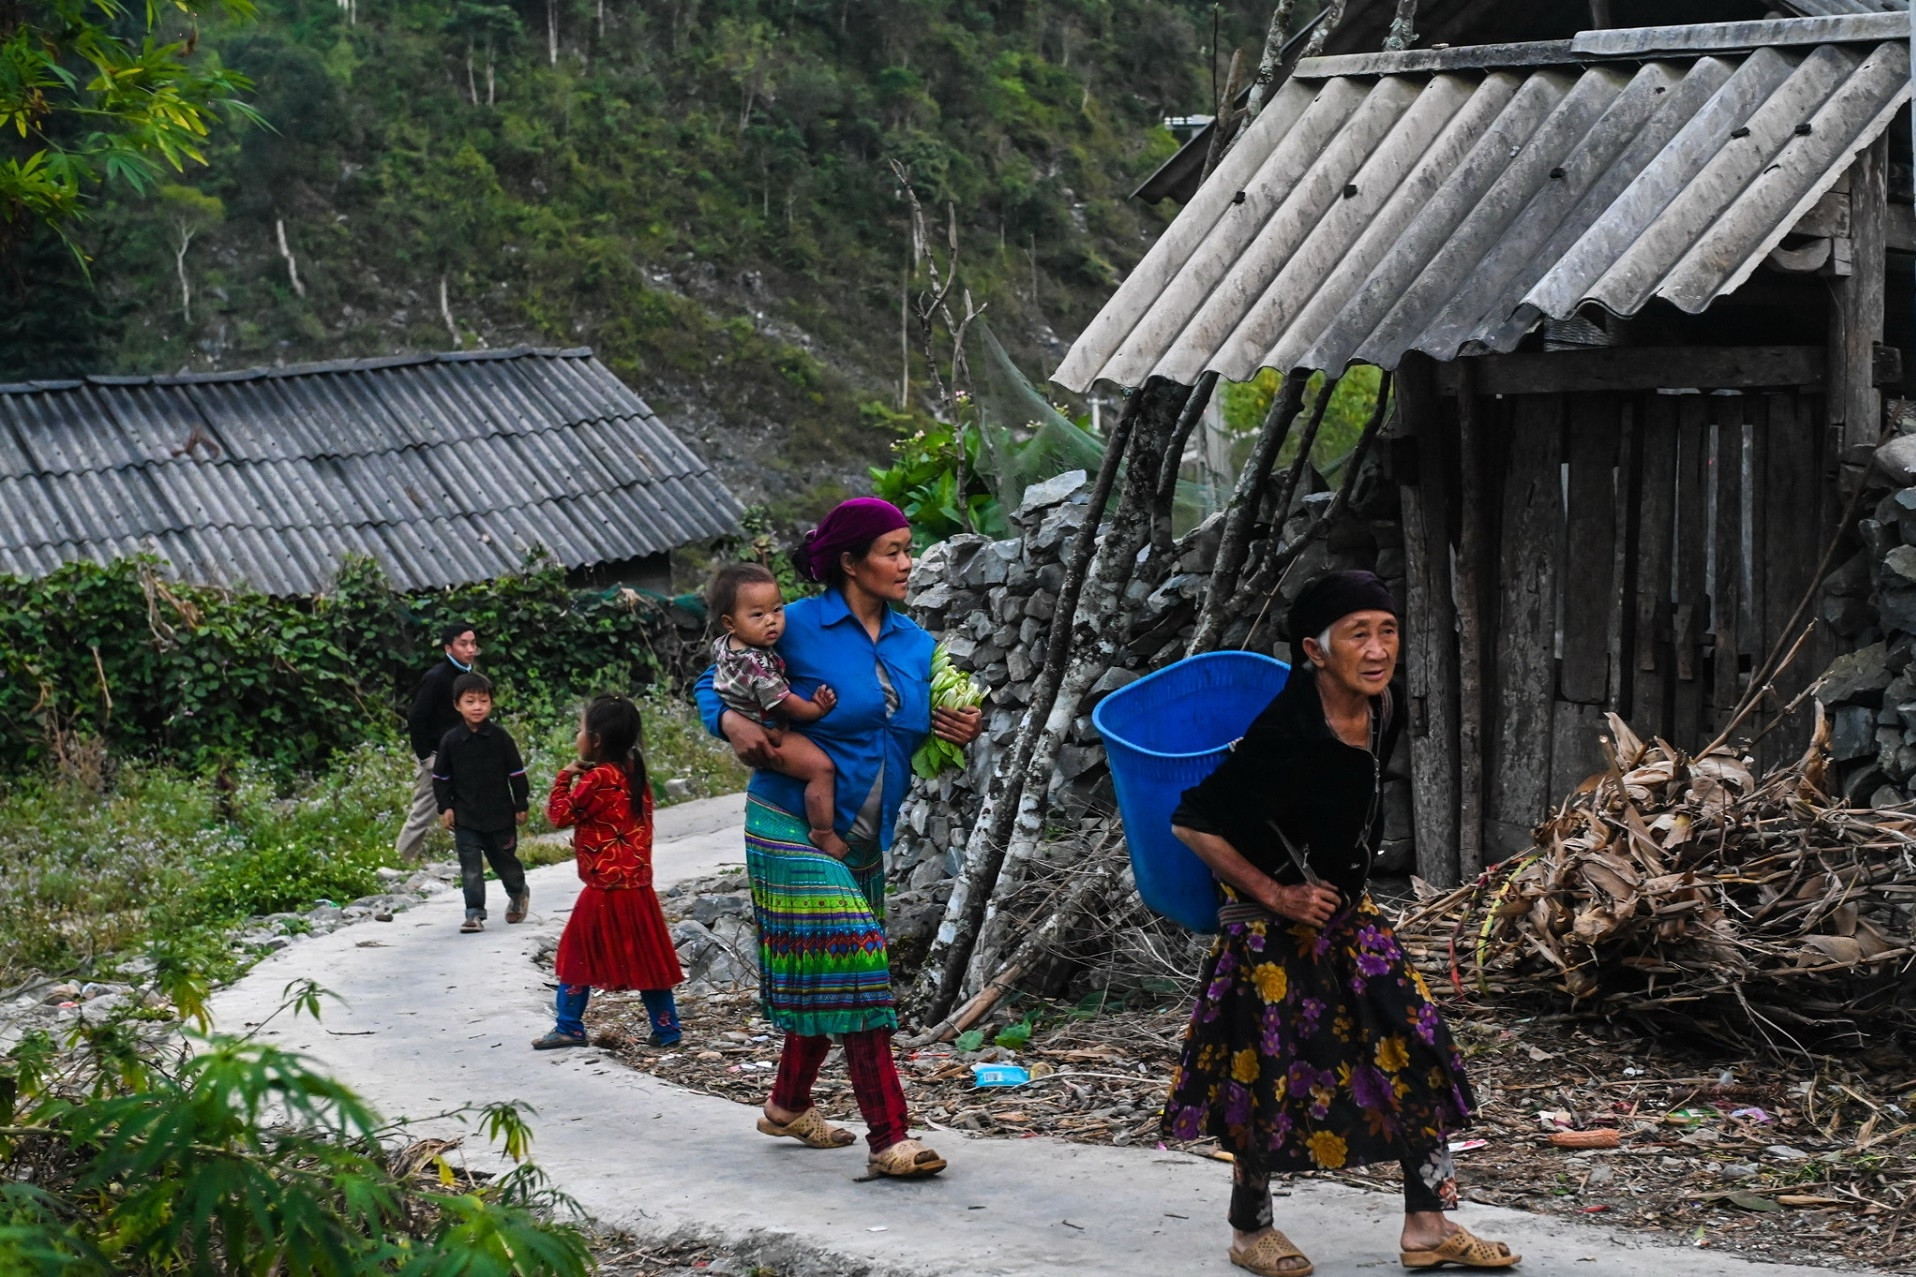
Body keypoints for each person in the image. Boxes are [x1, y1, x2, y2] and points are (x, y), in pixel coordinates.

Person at [1160, 570, 1518, 1276]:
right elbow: (1189, 820)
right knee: (1264, 1072)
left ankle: (1428, 1224)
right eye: (1359, 633)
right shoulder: (1283, 733)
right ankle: (1249, 1230)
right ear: (1315, 652)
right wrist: (1279, 893)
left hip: (1347, 915)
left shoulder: (1382, 708)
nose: (1379, 647)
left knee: (1414, 1047)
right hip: (1266, 923)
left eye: (1387, 630)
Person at [694, 497, 982, 1180]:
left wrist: (948, 725)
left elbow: (903, 724)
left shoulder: (916, 643)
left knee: (833, 967)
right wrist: (729, 725)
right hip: (791, 824)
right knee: (856, 961)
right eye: (893, 550)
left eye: (909, 547)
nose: (908, 562)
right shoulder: (792, 624)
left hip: (863, 835)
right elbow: (717, 679)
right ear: (850, 561)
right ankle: (891, 1136)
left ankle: (788, 1103)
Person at [533, 693, 684, 1051]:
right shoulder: (633, 772)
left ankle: (569, 1025)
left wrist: (564, 777)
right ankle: (667, 1030)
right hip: (638, 887)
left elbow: (558, 815)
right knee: (649, 960)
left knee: (575, 956)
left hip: (605, 887)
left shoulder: (597, 778)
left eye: (581, 729)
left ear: (596, 740)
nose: (578, 735)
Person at [707, 561, 845, 857]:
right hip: (768, 733)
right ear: (730, 622)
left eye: (777, 610)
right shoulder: (756, 665)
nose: (771, 621)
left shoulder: (728, 645)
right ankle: (823, 832)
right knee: (822, 769)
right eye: (758, 615)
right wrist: (815, 710)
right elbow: (785, 702)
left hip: (757, 721)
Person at [432, 672, 532, 934]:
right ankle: (474, 913)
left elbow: (517, 773)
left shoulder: (500, 738)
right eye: (470, 701)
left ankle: (518, 891)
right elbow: (441, 777)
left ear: (491, 704)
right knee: (471, 868)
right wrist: (446, 807)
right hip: (466, 816)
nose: (477, 707)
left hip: (500, 814)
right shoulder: (451, 741)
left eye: (483, 701)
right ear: (457, 705)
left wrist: (521, 803)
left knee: (504, 862)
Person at [396, 622, 480, 861]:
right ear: (448, 648)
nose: (470, 649)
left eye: (473, 643)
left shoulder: (469, 675)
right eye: (463, 644)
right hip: (437, 756)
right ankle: (401, 860)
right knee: (423, 810)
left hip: (462, 753)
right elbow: (416, 718)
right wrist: (426, 757)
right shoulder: (437, 677)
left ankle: (471, 855)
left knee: (468, 804)